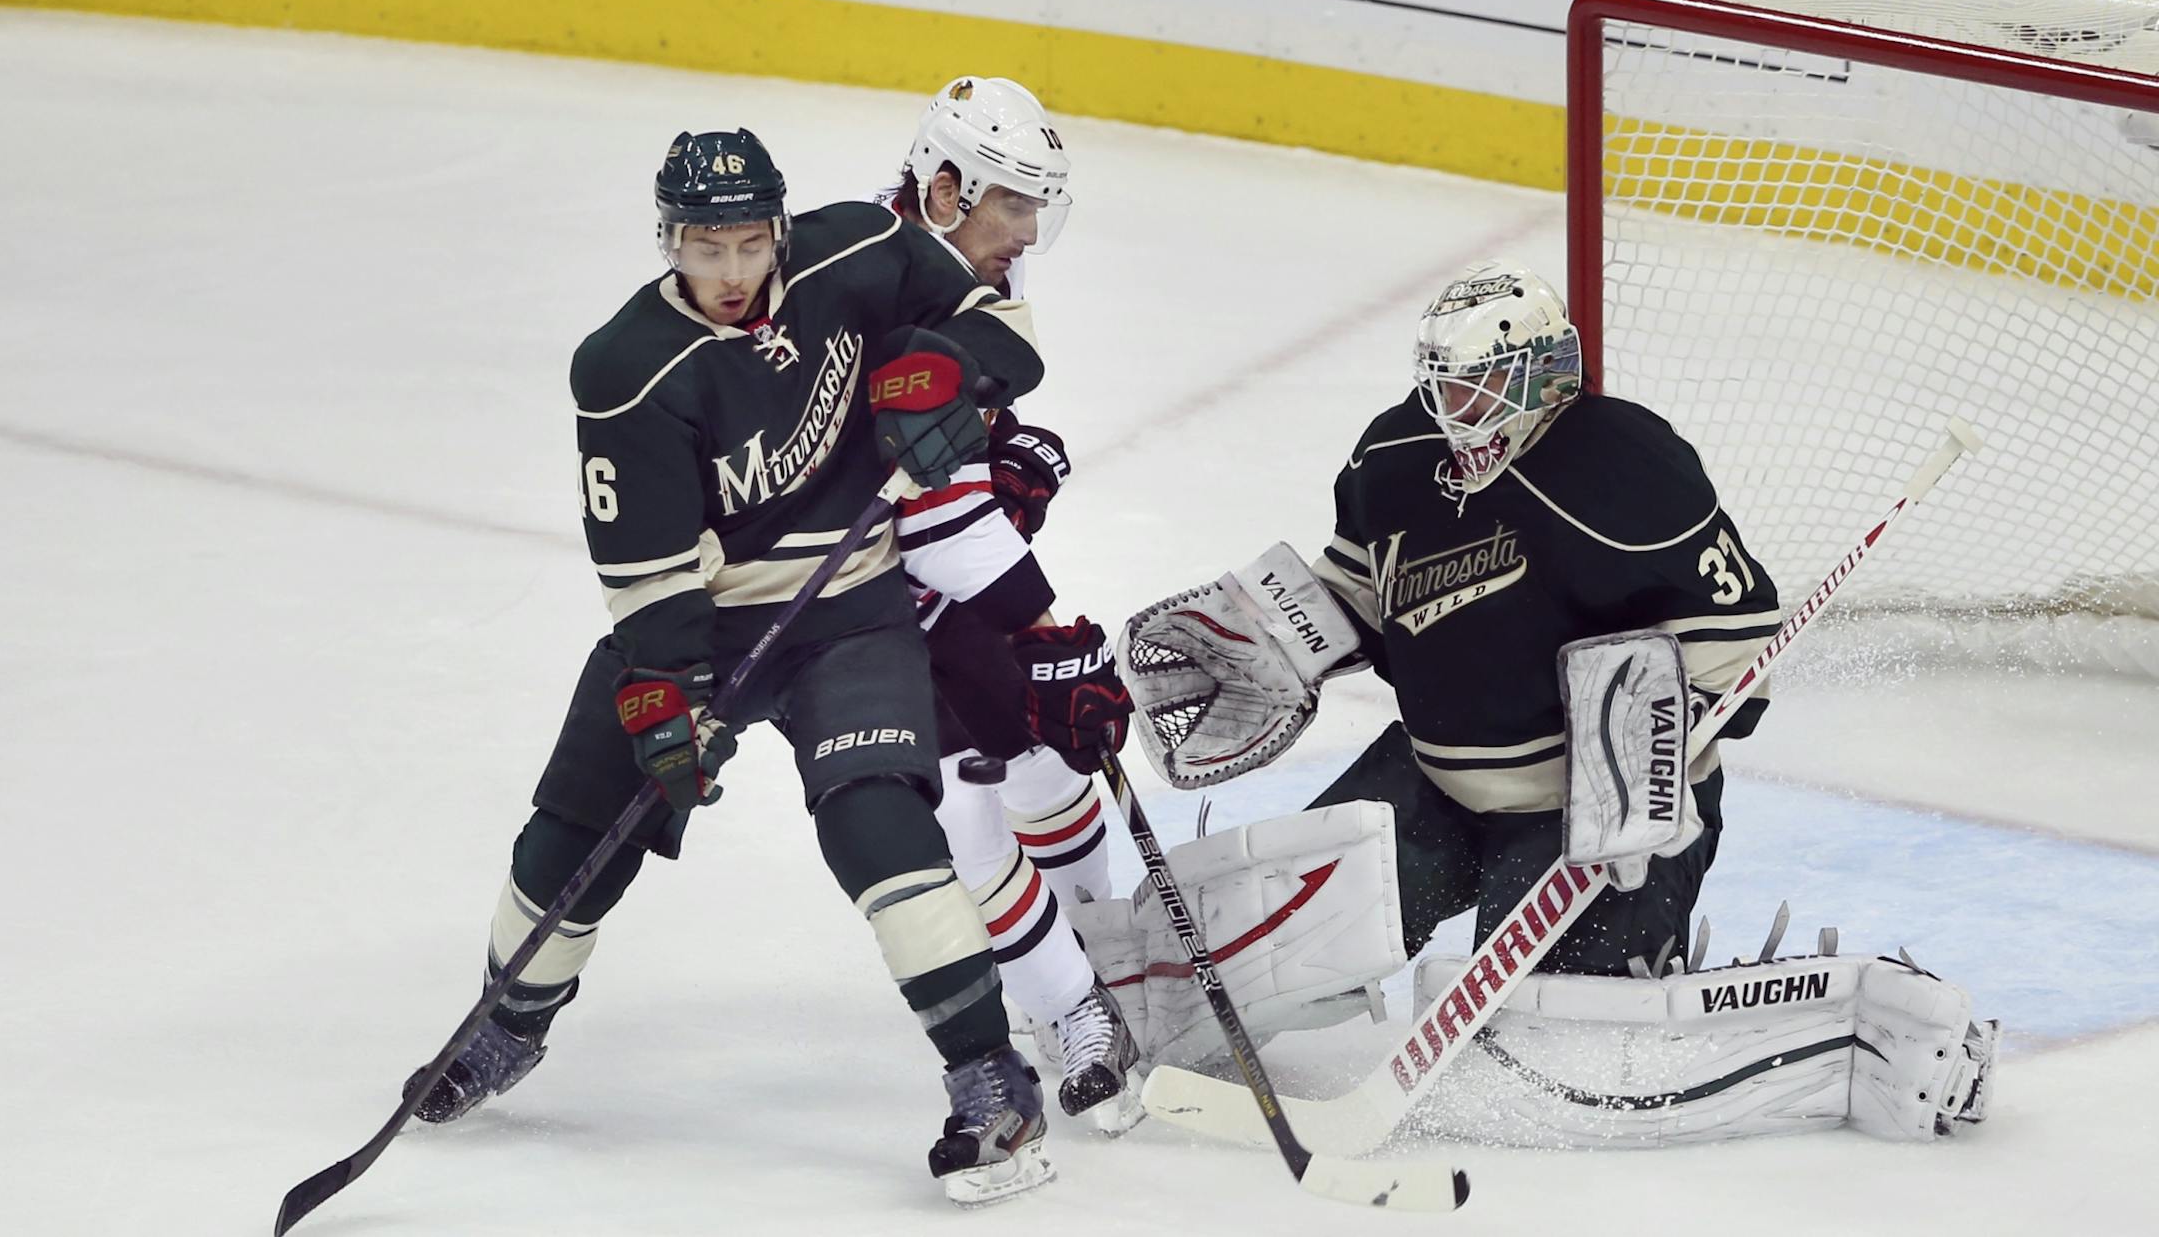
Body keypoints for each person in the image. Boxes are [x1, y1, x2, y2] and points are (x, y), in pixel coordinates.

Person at [1082, 260, 1997, 1146]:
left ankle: (1855, 1038)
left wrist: (1648, 754)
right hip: (1437, 779)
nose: (1454, 412)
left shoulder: (1626, 464)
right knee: (1260, 940)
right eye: (1443, 385)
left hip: (1598, 811)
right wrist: (1272, 637)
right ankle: (1094, 1009)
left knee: (1543, 1049)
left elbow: (1739, 654)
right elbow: (1361, 590)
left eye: (1478, 388)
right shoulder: (1399, 451)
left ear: (1543, 376)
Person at [400, 128, 1126, 1205]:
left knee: (877, 824)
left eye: (748, 245)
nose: (732, 273)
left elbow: (1000, 328)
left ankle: (990, 1081)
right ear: (669, 241)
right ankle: (508, 1026)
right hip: (713, 622)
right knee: (576, 831)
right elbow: (648, 577)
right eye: (706, 247)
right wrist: (666, 700)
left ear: (779, 231)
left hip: (851, 614)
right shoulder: (625, 370)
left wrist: (948, 377)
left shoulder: (855, 253)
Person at [866, 76, 1143, 1131]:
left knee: (1047, 748)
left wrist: (1003, 457)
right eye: (1012, 207)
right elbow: (931, 519)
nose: (1026, 234)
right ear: (945, 189)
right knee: (971, 829)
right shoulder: (882, 293)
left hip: (942, 582)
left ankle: (1105, 954)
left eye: (1037, 209)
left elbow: (947, 467)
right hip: (872, 612)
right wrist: (1043, 623)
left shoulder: (957, 261)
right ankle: (1072, 1011)